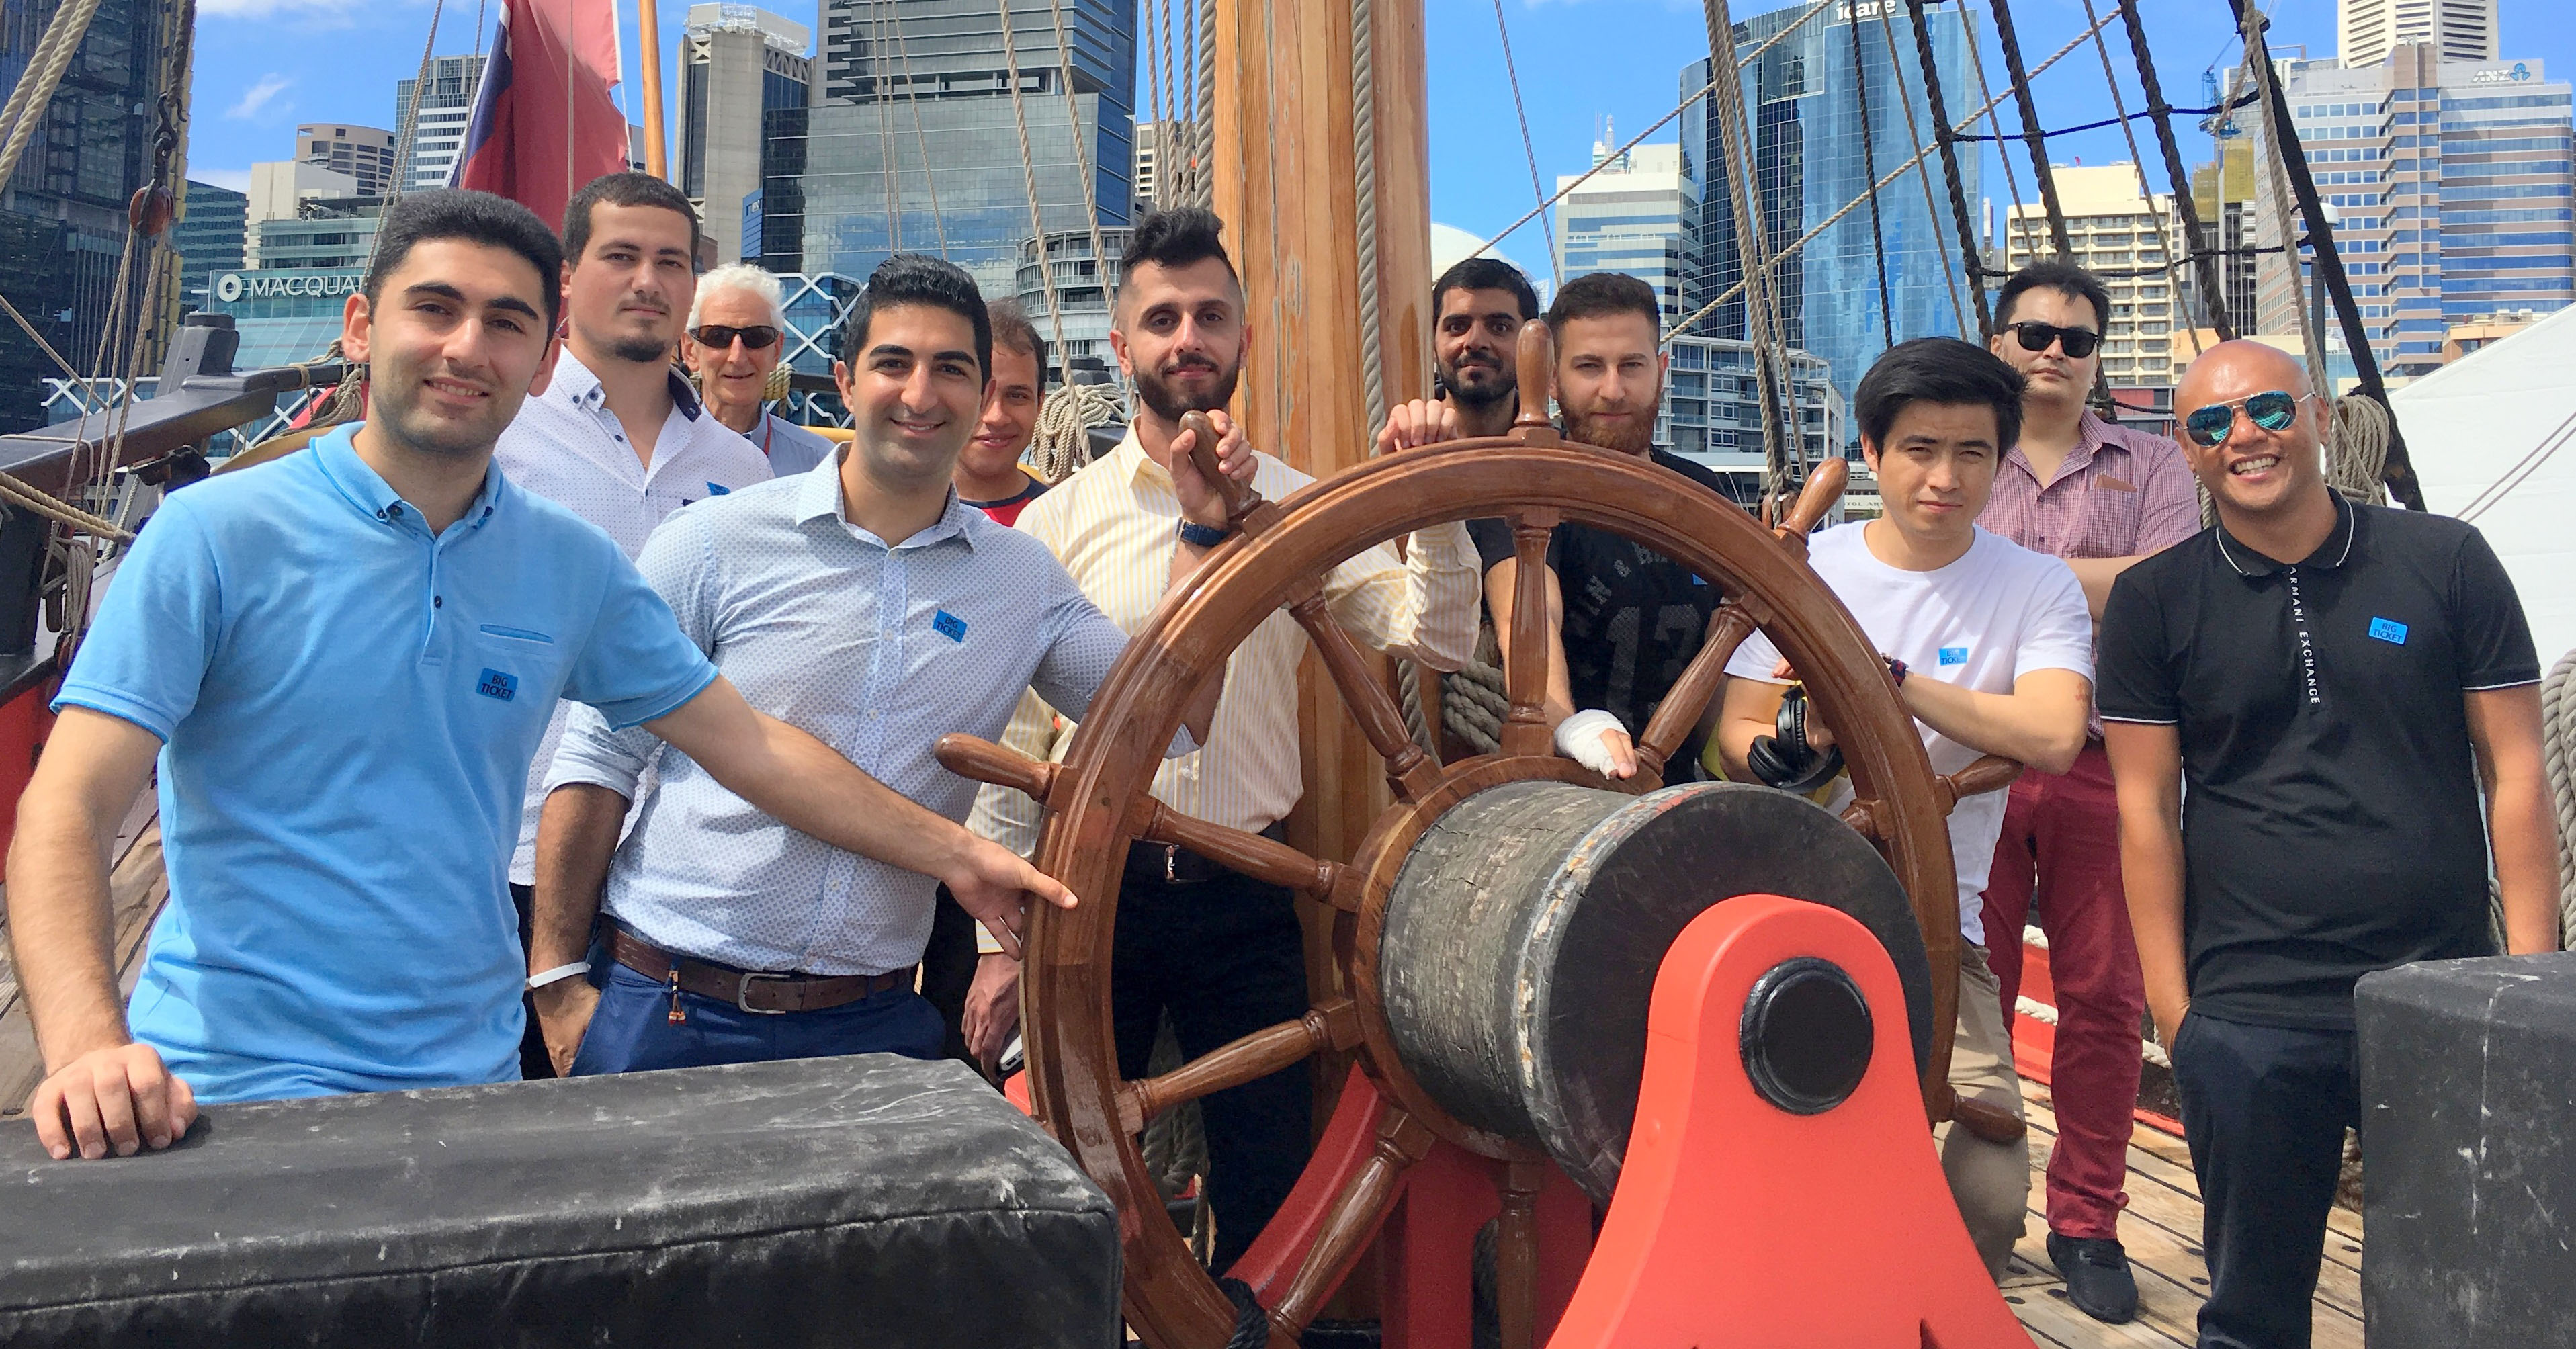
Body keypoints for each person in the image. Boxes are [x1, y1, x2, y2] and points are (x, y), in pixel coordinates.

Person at [5, 190, 1070, 1162]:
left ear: (542, 349)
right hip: (225, 1086)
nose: (468, 348)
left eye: (507, 322)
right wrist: (91, 1045)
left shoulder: (568, 567)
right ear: (360, 328)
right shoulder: (212, 535)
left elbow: (748, 744)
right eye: (435, 309)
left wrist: (957, 853)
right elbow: (71, 803)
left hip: (465, 1085)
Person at [527, 256, 1239, 1078]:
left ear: (979, 395)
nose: (920, 393)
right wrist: (555, 981)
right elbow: (597, 757)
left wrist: (1204, 535)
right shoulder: (711, 544)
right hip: (670, 1005)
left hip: (873, 1021)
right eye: (894, 363)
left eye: (951, 370)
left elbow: (1174, 722)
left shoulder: (1023, 580)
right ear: (845, 378)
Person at [967, 207, 1479, 1270]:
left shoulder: (1299, 506)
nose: (1186, 337)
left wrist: (1430, 501)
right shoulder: (1058, 522)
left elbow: (1435, 642)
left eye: (1209, 315)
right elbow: (1014, 737)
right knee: (1074, 1182)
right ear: (1122, 348)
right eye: (1161, 319)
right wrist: (993, 945)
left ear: (1244, 337)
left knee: (1265, 1180)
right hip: (1092, 890)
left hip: (1247, 893)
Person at [2099, 339, 2555, 1349]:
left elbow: (2514, 773)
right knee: (2252, 1315)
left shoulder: (2441, 560)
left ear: (2314, 414)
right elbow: (2143, 812)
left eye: (2265, 409)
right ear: (2185, 451)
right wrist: (2180, 1016)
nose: (2243, 438)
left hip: (2438, 992)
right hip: (2249, 1008)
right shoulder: (2153, 601)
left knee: (2470, 1303)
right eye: (2210, 425)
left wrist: (2528, 985)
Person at [1714, 337, 2094, 1280]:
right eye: (1919, 449)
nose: (1943, 477)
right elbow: (1736, 731)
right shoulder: (1806, 566)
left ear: (2001, 460)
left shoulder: (2034, 584)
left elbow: (2051, 734)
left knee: (1991, 1194)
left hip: (1936, 918)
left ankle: (1933, 1301)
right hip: (1791, 909)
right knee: (1779, 1161)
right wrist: (1782, 751)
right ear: (1871, 452)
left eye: (1971, 453)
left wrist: (1885, 685)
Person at [493, 173, 772, 1078]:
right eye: (621, 257)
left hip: (673, 872)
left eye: (671, 262)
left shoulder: (743, 469)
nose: (648, 281)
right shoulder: (499, 436)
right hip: (502, 848)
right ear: (569, 276)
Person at [1975, 261, 2200, 1323]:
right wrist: (2086, 582)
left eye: (2073, 339)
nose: (2050, 354)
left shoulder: (2152, 462)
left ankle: (2085, 1218)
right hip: (1966, 756)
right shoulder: (1957, 450)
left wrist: (2002, 577)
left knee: (2105, 997)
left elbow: (2171, 578)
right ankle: (1963, 1202)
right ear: (1996, 344)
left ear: (2097, 355)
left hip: (2102, 758)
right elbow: (1920, 563)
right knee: (1954, 985)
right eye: (2031, 335)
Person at [1465, 271, 1737, 780]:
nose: (1612, 390)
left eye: (1631, 366)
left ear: (1660, 369)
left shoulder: (1703, 490)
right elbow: (1528, 621)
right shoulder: (1521, 490)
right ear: (1551, 378)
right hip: (1564, 784)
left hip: (1684, 789)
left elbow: (1731, 642)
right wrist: (1571, 728)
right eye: (1589, 366)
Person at [681, 261, 837, 477]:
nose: (737, 357)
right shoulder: (653, 454)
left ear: (777, 350)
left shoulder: (819, 464)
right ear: (690, 350)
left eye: (757, 337)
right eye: (718, 336)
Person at [1373, 256, 1542, 453]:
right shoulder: (1404, 443)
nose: (1475, 342)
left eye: (1499, 327)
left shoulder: (1562, 457)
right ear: (1432, 344)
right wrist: (1397, 467)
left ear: (1533, 347)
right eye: (1457, 327)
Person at [949, 297, 1051, 526]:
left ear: (1040, 403)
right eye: (981, 395)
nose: (996, 416)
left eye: (1016, 396)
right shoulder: (899, 515)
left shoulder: (1065, 523)